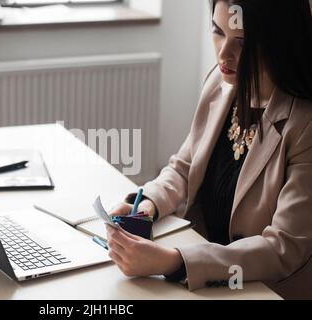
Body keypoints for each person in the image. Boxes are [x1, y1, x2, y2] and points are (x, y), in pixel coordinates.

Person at [106, 0, 312, 299]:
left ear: (279, 42)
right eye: (217, 31)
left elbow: (285, 248)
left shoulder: (304, 124)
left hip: (265, 290)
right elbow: (184, 168)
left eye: (242, 42)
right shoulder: (221, 81)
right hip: (206, 284)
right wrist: (148, 204)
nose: (223, 53)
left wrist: (175, 261)